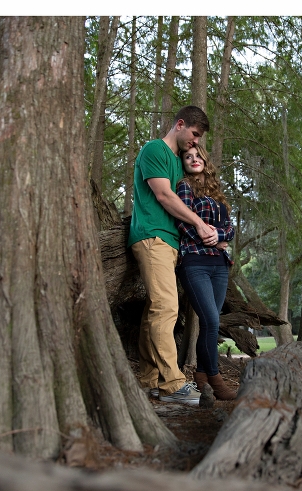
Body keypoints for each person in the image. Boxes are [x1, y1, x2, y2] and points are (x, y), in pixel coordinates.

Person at [128, 106, 218, 406]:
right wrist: (198, 222)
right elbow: (164, 196)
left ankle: (149, 380)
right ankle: (173, 384)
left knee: (154, 312)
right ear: (180, 125)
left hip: (168, 243)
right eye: (194, 135)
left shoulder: (179, 165)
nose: (195, 143)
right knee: (166, 307)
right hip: (152, 236)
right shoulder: (155, 149)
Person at [175, 144, 237, 400]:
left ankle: (201, 376)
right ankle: (215, 378)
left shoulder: (217, 192)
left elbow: (230, 229)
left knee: (212, 324)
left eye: (198, 155)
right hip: (194, 262)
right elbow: (181, 221)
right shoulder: (184, 187)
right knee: (210, 321)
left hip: (219, 265)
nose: (193, 159)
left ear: (205, 159)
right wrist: (210, 239)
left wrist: (219, 236)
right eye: (188, 157)